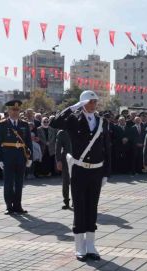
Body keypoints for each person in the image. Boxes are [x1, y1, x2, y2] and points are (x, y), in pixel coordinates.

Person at [50, 91, 111, 262]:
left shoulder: (102, 122)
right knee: (79, 206)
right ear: (83, 103)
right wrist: (72, 107)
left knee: (92, 207)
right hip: (79, 169)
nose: (94, 105)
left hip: (96, 170)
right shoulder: (72, 119)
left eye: (95, 102)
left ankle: (91, 246)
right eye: (90, 102)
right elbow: (54, 123)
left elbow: (107, 148)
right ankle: (80, 247)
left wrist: (106, 172)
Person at [0, 100, 33, 215]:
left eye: (17, 110)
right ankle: (9, 206)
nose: (15, 112)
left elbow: (28, 142)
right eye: (13, 110)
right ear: (8, 111)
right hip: (7, 157)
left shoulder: (24, 124)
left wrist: (30, 157)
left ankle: (18, 205)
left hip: (21, 156)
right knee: (8, 182)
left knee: (19, 182)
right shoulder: (2, 124)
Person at [55, 129, 72, 210]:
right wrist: (58, 160)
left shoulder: (79, 127)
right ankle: (66, 201)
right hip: (66, 159)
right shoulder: (62, 132)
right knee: (66, 181)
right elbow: (57, 147)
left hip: (79, 159)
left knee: (77, 182)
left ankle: (76, 201)